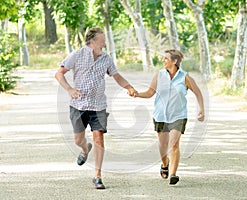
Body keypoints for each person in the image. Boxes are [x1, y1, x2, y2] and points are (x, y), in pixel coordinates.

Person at [55, 27, 137, 189]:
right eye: (102, 40)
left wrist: (129, 87)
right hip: (78, 105)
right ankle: (85, 149)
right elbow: (59, 73)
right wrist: (70, 89)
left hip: (98, 105)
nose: (105, 43)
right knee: (78, 140)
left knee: (99, 137)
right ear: (92, 42)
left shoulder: (106, 58)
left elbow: (117, 76)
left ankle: (97, 175)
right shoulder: (77, 55)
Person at [134, 49, 205, 185]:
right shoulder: (159, 75)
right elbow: (150, 92)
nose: (163, 61)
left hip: (178, 116)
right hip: (160, 115)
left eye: (166, 58)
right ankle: (165, 162)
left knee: (174, 145)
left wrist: (202, 110)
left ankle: (173, 174)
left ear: (174, 61)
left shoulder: (185, 77)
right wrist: (137, 94)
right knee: (162, 145)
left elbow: (198, 93)